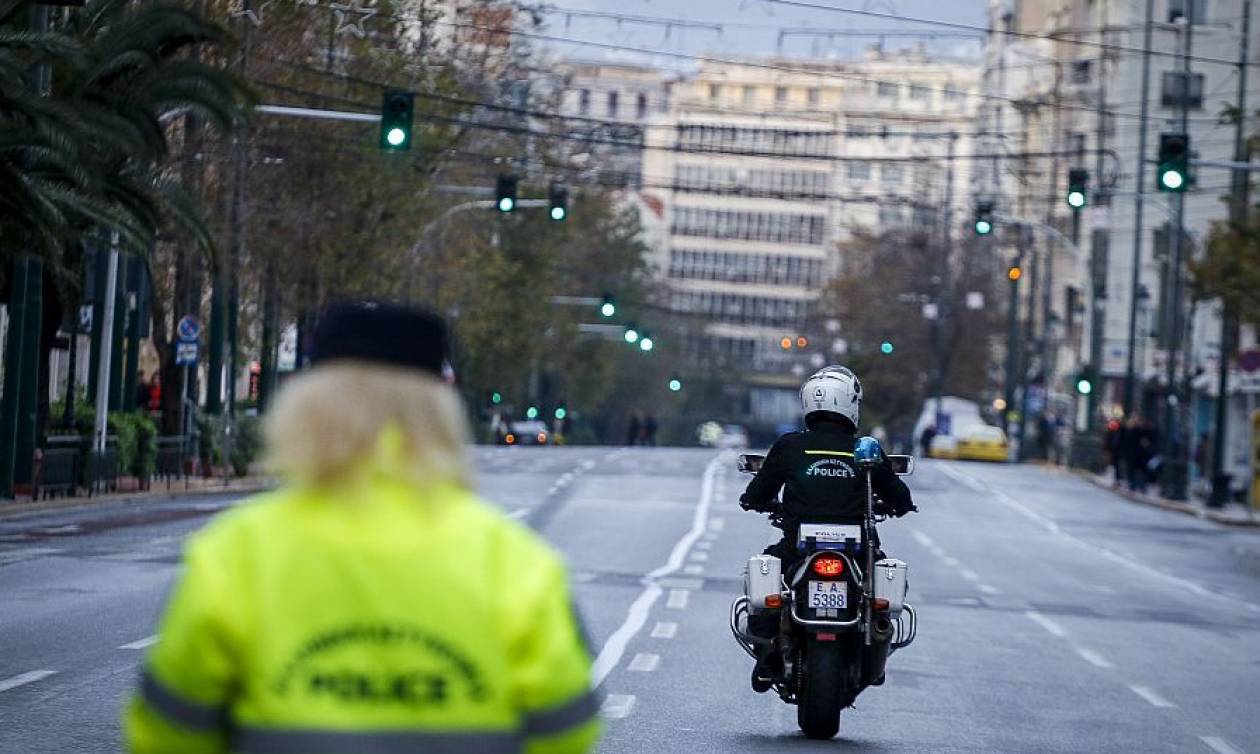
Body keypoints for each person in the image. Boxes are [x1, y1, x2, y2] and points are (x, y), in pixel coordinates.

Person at [124, 301, 601, 754]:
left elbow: (167, 730)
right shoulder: (517, 563)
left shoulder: (236, 552)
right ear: (441, 415)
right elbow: (567, 729)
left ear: (305, 407)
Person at [738, 365, 916, 687]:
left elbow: (757, 493)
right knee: (879, 592)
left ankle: (767, 656)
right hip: (859, 551)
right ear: (851, 403)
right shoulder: (866, 449)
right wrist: (899, 506)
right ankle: (875, 645)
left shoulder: (790, 446)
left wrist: (756, 501)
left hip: (797, 548)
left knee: (766, 576)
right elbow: (900, 497)